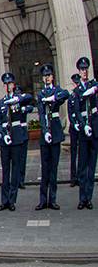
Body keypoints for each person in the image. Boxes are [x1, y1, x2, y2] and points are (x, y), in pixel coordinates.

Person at [0, 72, 32, 212]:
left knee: (15, 169)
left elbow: (29, 98)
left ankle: (12, 200)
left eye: (10, 84)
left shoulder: (18, 99)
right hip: (6, 139)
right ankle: (4, 200)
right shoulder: (1, 103)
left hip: (17, 138)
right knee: (5, 170)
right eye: (6, 84)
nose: (8, 86)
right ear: (4, 86)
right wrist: (3, 134)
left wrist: (17, 100)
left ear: (13, 85)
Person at [36, 63, 69, 210]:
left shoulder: (56, 90)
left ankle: (53, 199)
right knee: (45, 168)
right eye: (45, 76)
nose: (47, 78)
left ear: (52, 77)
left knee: (54, 168)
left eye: (49, 76)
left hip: (55, 131)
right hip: (47, 133)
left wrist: (53, 98)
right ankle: (43, 199)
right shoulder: (41, 94)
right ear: (43, 78)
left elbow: (66, 94)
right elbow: (41, 115)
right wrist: (44, 131)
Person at [73, 57, 97, 210]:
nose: (84, 71)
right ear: (79, 72)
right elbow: (76, 110)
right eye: (82, 69)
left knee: (92, 166)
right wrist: (82, 125)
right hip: (84, 131)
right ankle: (82, 197)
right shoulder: (76, 91)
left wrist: (94, 89)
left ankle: (89, 197)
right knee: (82, 167)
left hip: (94, 129)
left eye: (86, 69)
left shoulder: (93, 85)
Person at [68, 75, 82, 188]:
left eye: (78, 83)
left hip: (81, 127)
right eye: (75, 83)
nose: (76, 85)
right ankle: (73, 177)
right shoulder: (71, 97)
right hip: (74, 128)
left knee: (82, 152)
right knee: (73, 153)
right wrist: (73, 123)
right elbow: (70, 113)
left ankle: (81, 175)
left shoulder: (81, 95)